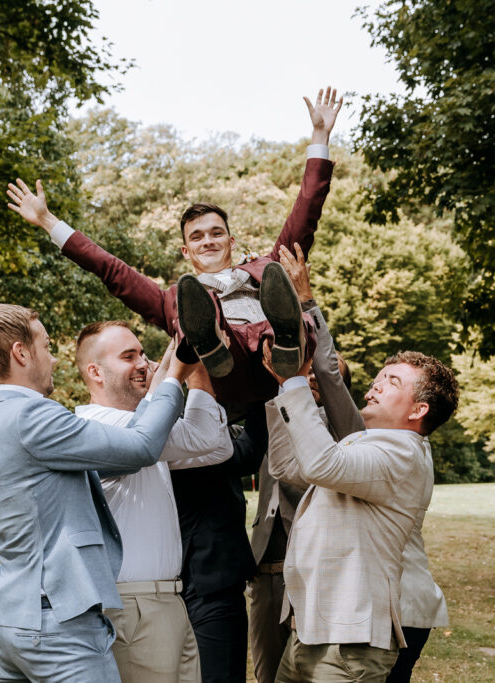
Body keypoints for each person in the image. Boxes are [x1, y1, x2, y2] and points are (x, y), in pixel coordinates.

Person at [5, 88, 342, 405]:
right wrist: (48, 221)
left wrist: (319, 137)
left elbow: (305, 215)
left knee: (281, 284)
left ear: (231, 241)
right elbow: (110, 269)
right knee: (196, 309)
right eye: (197, 237)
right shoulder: (174, 299)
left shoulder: (266, 269)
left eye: (216, 233)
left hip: (280, 365)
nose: (207, 241)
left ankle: (286, 340)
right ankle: (211, 344)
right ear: (185, 251)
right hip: (231, 372)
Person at [0, 303, 192, 682]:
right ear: (21, 353)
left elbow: (120, 455)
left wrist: (165, 370)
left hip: (11, 618)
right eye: (45, 346)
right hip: (58, 623)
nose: (53, 359)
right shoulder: (33, 415)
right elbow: (141, 448)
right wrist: (173, 379)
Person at [270, 246, 450, 682]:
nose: (375, 385)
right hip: (313, 627)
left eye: (392, 382)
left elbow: (321, 461)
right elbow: (327, 382)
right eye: (378, 378)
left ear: (418, 410)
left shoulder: (402, 453)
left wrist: (293, 380)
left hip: (356, 634)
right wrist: (306, 306)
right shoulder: (365, 442)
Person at [72, 321, 233, 683]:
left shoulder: (145, 429)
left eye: (143, 354)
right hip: (134, 607)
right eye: (128, 356)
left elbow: (217, 446)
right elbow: (204, 435)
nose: (143, 364)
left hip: (170, 600)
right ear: (95, 372)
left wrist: (194, 362)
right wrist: (183, 370)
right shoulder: (97, 427)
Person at [248, 244, 358, 683]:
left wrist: (309, 302)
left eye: (318, 376)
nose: (309, 377)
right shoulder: (272, 411)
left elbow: (328, 371)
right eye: (303, 371)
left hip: (315, 573)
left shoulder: (347, 438)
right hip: (263, 571)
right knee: (266, 673)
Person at [170, 402, 270, 683]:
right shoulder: (180, 427)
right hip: (204, 574)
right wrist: (259, 397)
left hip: (194, 574)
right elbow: (246, 455)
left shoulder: (161, 421)